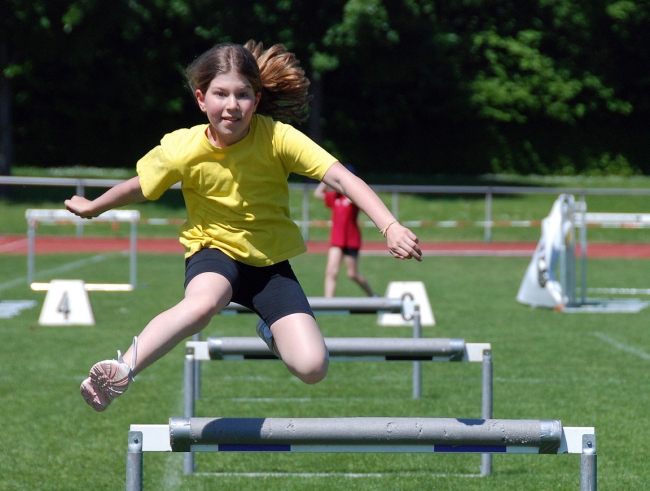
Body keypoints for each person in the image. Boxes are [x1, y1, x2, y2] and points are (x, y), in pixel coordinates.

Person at [64, 40, 422, 412]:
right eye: (221, 94)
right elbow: (141, 184)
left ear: (257, 97)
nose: (231, 105)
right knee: (203, 304)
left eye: (242, 95)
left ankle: (269, 329)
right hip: (214, 253)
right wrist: (95, 206)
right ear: (202, 99)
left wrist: (390, 225)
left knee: (313, 367)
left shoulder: (278, 138)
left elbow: (343, 179)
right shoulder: (182, 147)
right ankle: (121, 370)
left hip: (270, 266)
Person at [314, 165, 377, 297]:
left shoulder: (354, 197)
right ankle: (328, 304)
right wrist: (325, 178)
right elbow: (318, 194)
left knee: (352, 274)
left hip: (351, 239)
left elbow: (362, 195)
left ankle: (372, 295)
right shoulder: (335, 197)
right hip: (337, 240)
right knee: (331, 272)